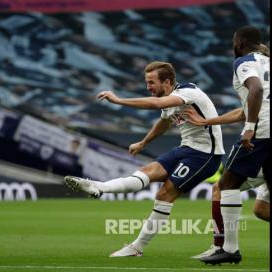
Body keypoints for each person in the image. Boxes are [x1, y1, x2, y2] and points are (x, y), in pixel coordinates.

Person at [64, 61, 225, 257]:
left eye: (151, 82)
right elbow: (164, 122)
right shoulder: (169, 98)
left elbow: (156, 104)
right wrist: (143, 143)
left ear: (167, 82)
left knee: (165, 194)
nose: (148, 87)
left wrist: (118, 101)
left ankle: (137, 247)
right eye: (147, 82)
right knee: (145, 173)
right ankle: (99, 187)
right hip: (186, 148)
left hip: (206, 155)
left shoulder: (187, 93)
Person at [198, 26, 270, 265]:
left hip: (262, 131)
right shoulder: (268, 62)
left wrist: (250, 127)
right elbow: (252, 103)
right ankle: (227, 248)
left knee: (226, 184)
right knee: (262, 207)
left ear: (239, 42)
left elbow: (256, 90)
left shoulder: (244, 62)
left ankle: (229, 248)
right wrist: (209, 120)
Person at [183, 107, 269, 259]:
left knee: (221, 188)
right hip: (263, 148)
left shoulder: (254, 87)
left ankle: (220, 247)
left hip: (261, 148)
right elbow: (242, 112)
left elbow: (243, 112)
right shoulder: (260, 93)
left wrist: (205, 121)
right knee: (261, 210)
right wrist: (206, 121)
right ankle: (222, 247)